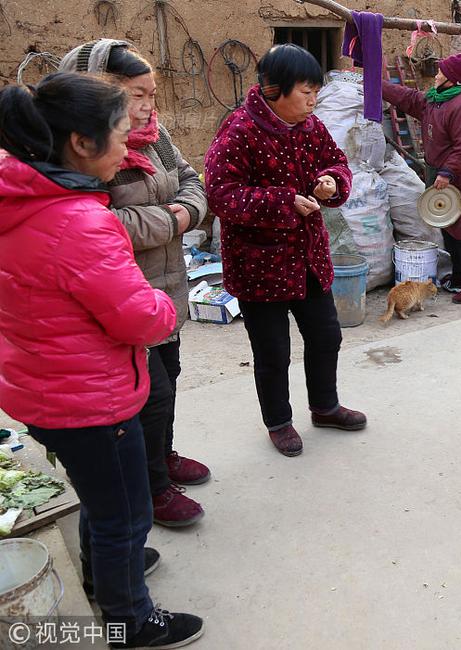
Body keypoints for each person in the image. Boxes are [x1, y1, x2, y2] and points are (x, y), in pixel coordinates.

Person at [0, 72, 204, 648]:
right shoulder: (81, 222)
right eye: (119, 133)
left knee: (100, 499)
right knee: (126, 514)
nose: (127, 144)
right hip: (90, 398)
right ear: (82, 144)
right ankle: (131, 621)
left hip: (42, 390)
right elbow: (140, 317)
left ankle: (102, 576)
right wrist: (164, 302)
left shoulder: (18, 201)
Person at [60, 39, 210, 530]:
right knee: (149, 394)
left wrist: (184, 210)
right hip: (122, 298)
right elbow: (102, 223)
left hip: (165, 288)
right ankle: (153, 487)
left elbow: (193, 182)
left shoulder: (155, 134)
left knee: (170, 376)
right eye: (135, 95)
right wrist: (174, 220)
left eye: (152, 94)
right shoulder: (85, 148)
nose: (148, 107)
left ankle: (160, 458)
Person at [205, 44, 366, 457]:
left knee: (326, 336)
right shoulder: (239, 131)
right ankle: (278, 422)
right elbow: (222, 195)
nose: (313, 101)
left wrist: (331, 181)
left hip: (308, 259)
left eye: (316, 92)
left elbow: (337, 162)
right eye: (305, 92)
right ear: (274, 90)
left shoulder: (311, 128)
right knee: (273, 352)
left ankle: (325, 407)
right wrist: (284, 201)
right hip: (259, 265)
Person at [382, 53, 461, 304]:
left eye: (441, 72)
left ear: (451, 79)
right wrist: (378, 85)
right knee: (450, 226)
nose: (436, 75)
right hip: (443, 174)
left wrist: (447, 172)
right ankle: (460, 278)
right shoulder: (436, 100)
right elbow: (409, 99)